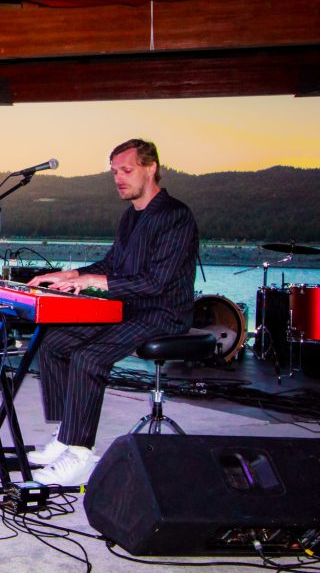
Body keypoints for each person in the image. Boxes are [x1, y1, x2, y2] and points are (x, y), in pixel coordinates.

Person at [25, 138, 198, 486]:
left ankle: (80, 453)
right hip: (128, 306)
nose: (118, 178)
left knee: (89, 357)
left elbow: (156, 282)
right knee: (55, 343)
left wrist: (93, 281)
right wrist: (71, 275)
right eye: (114, 171)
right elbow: (112, 264)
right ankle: (65, 435)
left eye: (126, 170)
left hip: (162, 312)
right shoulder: (131, 216)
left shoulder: (175, 216)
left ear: (150, 168)